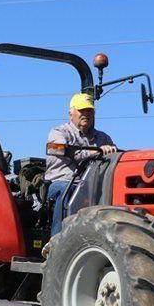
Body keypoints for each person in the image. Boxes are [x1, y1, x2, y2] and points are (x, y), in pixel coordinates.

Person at [45, 92, 117, 238]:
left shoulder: (103, 137)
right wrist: (97, 153)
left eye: (89, 110)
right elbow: (65, 152)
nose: (86, 114)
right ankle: (56, 241)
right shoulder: (59, 132)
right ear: (71, 113)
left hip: (93, 185)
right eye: (81, 110)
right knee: (67, 190)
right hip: (64, 181)